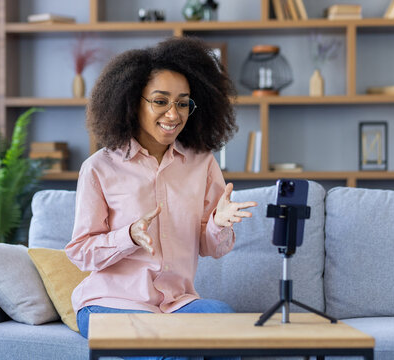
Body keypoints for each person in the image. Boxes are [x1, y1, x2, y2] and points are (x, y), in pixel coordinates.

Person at [65, 37, 257, 360]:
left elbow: (213, 247)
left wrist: (218, 225)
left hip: (176, 304)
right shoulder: (98, 168)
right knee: (170, 351)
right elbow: (81, 252)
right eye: (160, 101)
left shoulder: (203, 164)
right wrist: (128, 236)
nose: (173, 114)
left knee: (226, 326)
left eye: (183, 103)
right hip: (110, 304)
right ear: (133, 101)